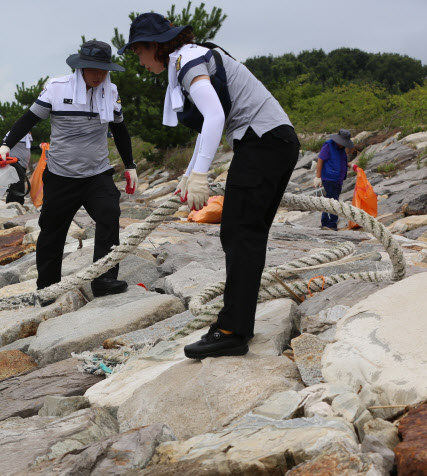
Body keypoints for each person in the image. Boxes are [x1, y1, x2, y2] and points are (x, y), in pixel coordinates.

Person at [119, 13, 300, 359]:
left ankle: (231, 330)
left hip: (263, 142)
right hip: (272, 142)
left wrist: (202, 175)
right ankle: (237, 325)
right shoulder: (190, 58)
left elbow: (215, 116)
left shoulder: (187, 60)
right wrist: (189, 174)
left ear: (155, 46)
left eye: (139, 52)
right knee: (245, 233)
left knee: (239, 233)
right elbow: (207, 125)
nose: (139, 61)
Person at [0, 40, 138, 300]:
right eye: (93, 69)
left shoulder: (111, 92)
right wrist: (6, 146)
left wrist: (130, 165)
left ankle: (104, 279)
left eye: (103, 70)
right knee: (52, 230)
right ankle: (48, 287)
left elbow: (120, 130)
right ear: (80, 68)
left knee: (109, 216)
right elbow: (28, 119)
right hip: (61, 176)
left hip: (97, 173)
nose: (98, 75)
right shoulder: (57, 89)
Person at [314, 129, 354, 231]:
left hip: (338, 179)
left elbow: (340, 161)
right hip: (329, 178)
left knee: (334, 200)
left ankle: (330, 223)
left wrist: (350, 165)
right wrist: (318, 177)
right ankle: (329, 224)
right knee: (331, 200)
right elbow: (320, 160)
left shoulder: (341, 149)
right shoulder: (328, 145)